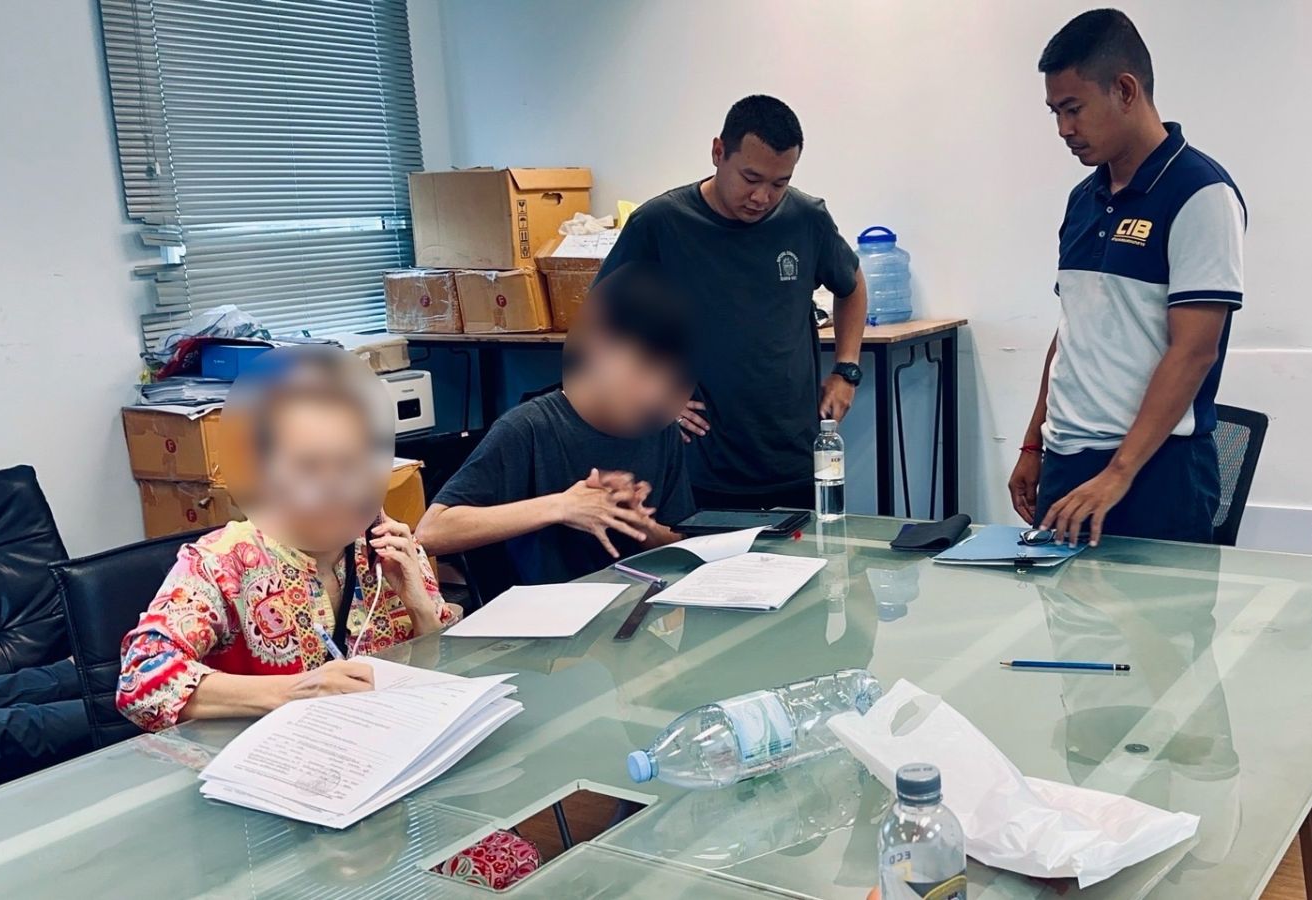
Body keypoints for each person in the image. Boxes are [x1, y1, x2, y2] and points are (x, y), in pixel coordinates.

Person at [115, 348, 540, 892]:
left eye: (354, 465)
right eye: (310, 468)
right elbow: (141, 679)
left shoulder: (387, 548)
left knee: (511, 863)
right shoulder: (223, 563)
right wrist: (293, 692)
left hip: (390, 785)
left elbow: (450, 679)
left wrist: (419, 602)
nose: (339, 488)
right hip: (272, 809)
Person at [1008, 9, 1246, 546]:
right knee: (1060, 605)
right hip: (1068, 464)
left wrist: (1118, 473)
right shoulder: (1083, 198)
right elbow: (1073, 332)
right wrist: (1034, 443)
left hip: (1154, 471)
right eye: (1055, 112)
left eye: (1074, 109)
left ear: (1125, 90)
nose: (1064, 129)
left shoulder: (1201, 193)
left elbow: (1194, 351)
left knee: (1157, 607)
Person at [596, 94, 867, 511]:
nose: (762, 197)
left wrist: (846, 370)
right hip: (699, 463)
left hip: (792, 455)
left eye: (779, 183)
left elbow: (851, 285)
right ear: (718, 152)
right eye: (751, 178)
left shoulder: (805, 218)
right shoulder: (660, 224)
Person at [416, 261, 698, 583]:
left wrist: (638, 524)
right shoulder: (528, 428)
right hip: (545, 609)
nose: (654, 392)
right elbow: (430, 533)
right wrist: (562, 506)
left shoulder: (660, 430)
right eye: (642, 368)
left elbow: (678, 544)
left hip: (635, 603)